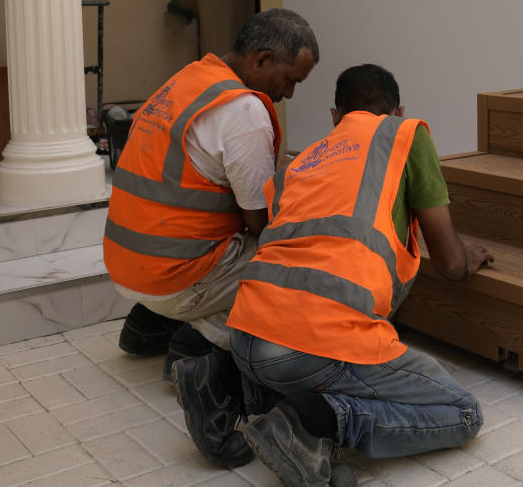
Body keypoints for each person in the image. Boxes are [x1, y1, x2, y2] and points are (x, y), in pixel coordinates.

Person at [175, 63, 494, 485]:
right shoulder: (403, 135)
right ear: (398, 111)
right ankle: (314, 426)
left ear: (335, 116)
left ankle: (226, 383)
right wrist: (468, 255)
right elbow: (451, 265)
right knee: (463, 413)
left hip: (246, 334)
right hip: (310, 342)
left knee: (292, 365)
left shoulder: (300, 163)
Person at [103, 8, 318, 463]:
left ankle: (150, 324)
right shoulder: (243, 112)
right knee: (295, 262)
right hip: (174, 275)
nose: (290, 94)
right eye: (289, 79)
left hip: (128, 263)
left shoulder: (188, 81)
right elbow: (259, 225)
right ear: (260, 61)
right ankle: (206, 359)